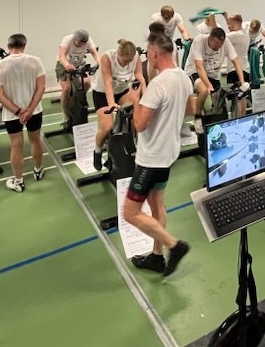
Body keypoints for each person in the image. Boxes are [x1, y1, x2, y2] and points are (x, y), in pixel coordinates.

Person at [123, 32, 194, 277]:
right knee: (157, 204)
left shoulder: (158, 84)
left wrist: (136, 100)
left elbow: (140, 124)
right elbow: (191, 109)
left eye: (147, 53)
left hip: (151, 159)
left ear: (154, 53)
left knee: (130, 213)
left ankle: (174, 246)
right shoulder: (183, 77)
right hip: (169, 154)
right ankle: (156, 256)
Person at [0, 33, 46, 193]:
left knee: (16, 145)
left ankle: (19, 181)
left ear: (8, 46)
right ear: (24, 45)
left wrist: (18, 111)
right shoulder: (36, 61)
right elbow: (41, 88)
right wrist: (29, 110)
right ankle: (38, 170)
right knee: (35, 140)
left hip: (11, 114)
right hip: (34, 112)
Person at [92, 39, 147, 169]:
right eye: (124, 61)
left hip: (122, 91)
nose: (127, 64)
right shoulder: (107, 58)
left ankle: (131, 150)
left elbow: (140, 77)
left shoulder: (136, 57)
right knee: (107, 126)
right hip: (102, 93)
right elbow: (107, 82)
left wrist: (146, 98)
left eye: (129, 61)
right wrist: (111, 104)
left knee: (134, 120)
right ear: (118, 54)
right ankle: (97, 150)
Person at [184, 28, 248, 116]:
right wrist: (208, 85)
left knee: (219, 100)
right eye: (215, 46)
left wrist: (242, 82)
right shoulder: (199, 41)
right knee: (204, 91)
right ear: (210, 39)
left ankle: (215, 117)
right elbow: (199, 67)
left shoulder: (226, 42)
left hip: (212, 73)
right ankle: (198, 116)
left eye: (219, 46)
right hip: (194, 70)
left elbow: (236, 61)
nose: (217, 48)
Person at [55, 29, 99, 124]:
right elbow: (62, 55)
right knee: (67, 88)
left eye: (84, 43)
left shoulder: (88, 41)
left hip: (79, 64)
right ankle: (65, 114)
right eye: (80, 42)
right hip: (63, 65)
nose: (82, 45)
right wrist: (67, 65)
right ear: (75, 38)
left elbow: (94, 52)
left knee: (87, 83)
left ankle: (77, 100)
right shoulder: (67, 40)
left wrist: (99, 62)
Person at [223, 14, 252, 116]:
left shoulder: (234, 36)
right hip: (245, 69)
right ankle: (241, 117)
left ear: (235, 23)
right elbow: (231, 31)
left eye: (230, 24)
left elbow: (219, 36)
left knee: (237, 99)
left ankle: (238, 119)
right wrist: (225, 16)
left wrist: (212, 20)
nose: (228, 26)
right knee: (242, 97)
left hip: (235, 70)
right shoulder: (244, 34)